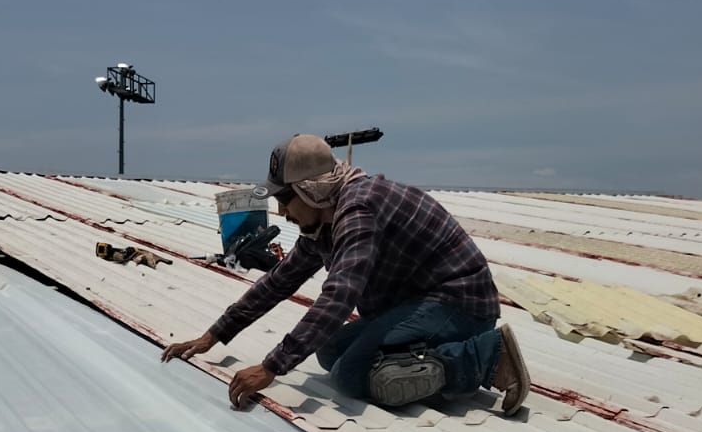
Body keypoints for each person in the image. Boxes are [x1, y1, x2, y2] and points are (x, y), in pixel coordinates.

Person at [161, 134, 530, 413]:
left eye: (285, 199)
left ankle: (486, 357)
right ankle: (431, 357)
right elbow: (278, 282)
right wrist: (214, 335)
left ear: (310, 190)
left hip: (459, 304)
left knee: (350, 374)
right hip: (419, 305)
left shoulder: (358, 209)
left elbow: (339, 297)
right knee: (329, 349)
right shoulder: (324, 221)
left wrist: (271, 367)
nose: (283, 213)